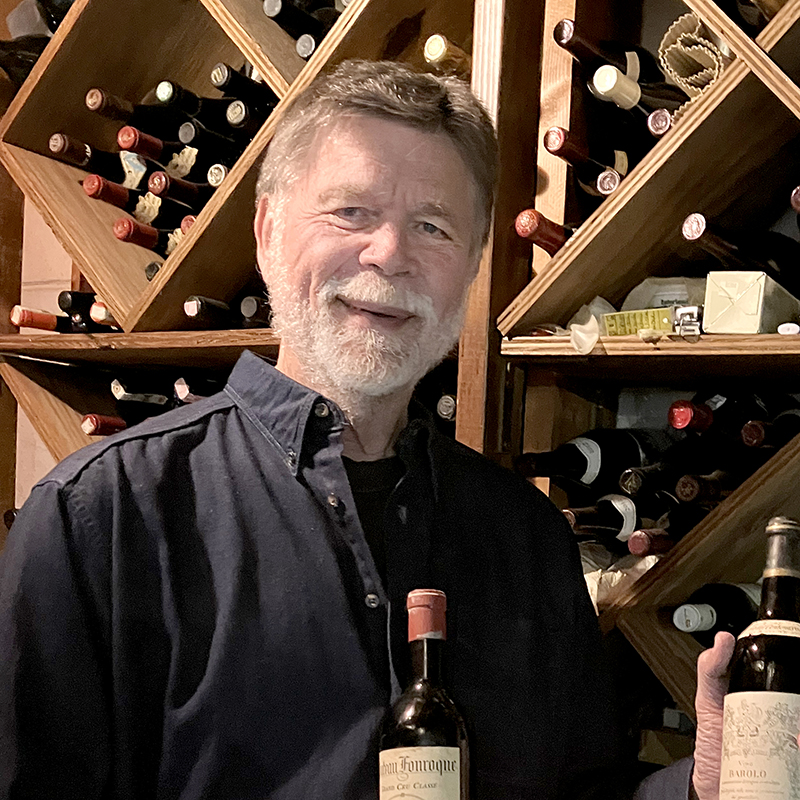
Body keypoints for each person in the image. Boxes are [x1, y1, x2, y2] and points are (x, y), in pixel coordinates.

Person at [0, 59, 730, 799]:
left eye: (433, 227)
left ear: (472, 267)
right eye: (350, 212)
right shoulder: (100, 517)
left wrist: (701, 784)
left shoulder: (526, 535)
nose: (390, 254)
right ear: (267, 231)